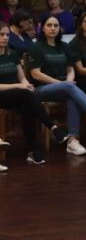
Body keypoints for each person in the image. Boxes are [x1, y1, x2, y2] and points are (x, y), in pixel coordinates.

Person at [29, 16, 86, 156]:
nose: (52, 28)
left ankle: (72, 141)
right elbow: (36, 74)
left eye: (55, 25)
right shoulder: (36, 46)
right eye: (49, 25)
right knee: (70, 88)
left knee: (72, 96)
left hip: (64, 87)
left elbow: (70, 69)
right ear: (43, 28)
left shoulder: (63, 46)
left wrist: (68, 81)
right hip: (41, 88)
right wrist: (63, 84)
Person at [0, 21, 68, 168]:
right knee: (26, 96)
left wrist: (25, 83)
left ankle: (32, 152)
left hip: (17, 94)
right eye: (2, 35)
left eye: (7, 34)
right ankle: (53, 127)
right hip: (2, 95)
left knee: (27, 105)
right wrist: (20, 86)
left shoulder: (12, 54)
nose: (5, 38)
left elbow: (22, 76)